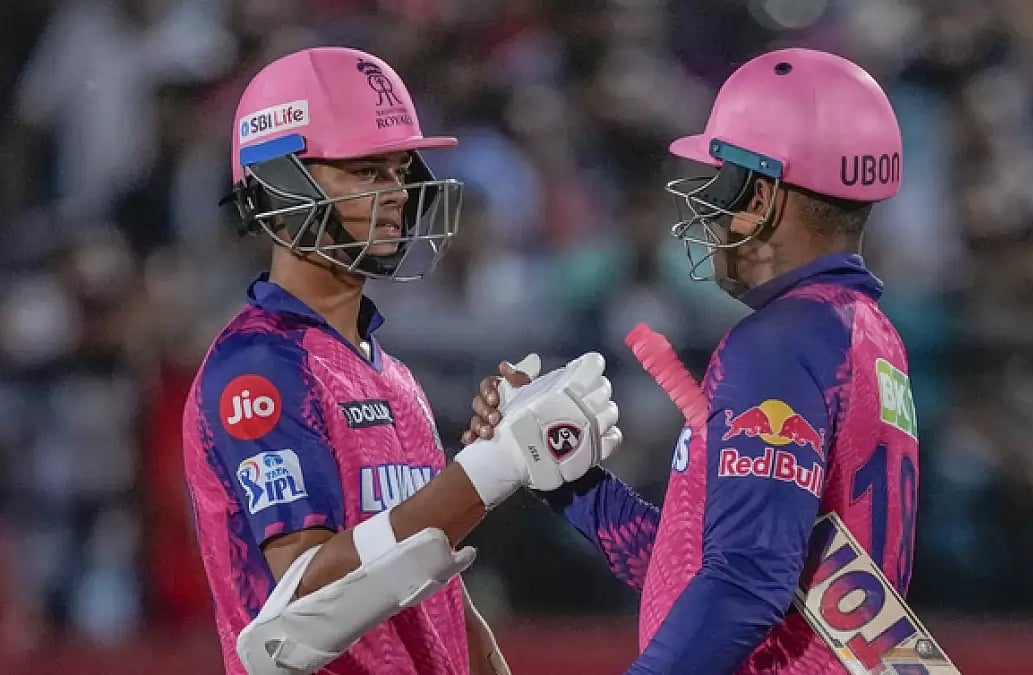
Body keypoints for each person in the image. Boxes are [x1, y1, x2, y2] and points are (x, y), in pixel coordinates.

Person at [463, 48, 918, 674]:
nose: (709, 202)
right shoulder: (868, 336)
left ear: (762, 195)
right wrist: (571, 482)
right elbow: (699, 566)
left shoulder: (780, 341)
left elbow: (745, 581)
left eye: (724, 175)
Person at [181, 46, 620, 675]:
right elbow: (302, 604)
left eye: (398, 171)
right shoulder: (256, 367)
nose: (396, 194)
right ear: (282, 184)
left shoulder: (392, 375)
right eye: (366, 171)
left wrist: (484, 471)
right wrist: (488, 470)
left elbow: (435, 589)